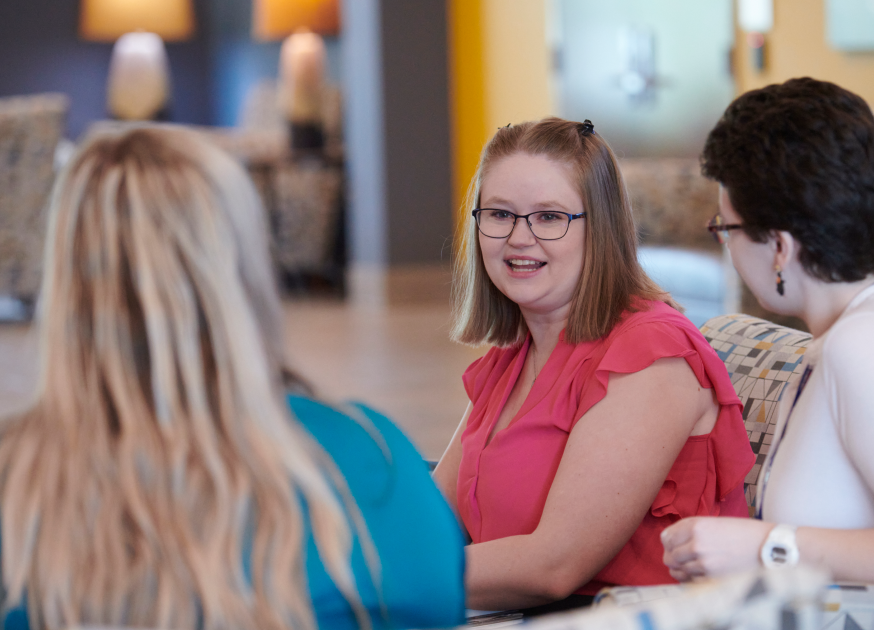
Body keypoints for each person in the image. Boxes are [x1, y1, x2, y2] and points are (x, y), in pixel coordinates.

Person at [0, 126, 465, 630]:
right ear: (243, 267)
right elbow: (438, 599)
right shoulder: (373, 464)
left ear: (63, 283)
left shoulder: (15, 488)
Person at [432, 117, 756, 613]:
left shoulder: (650, 354)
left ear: (599, 227)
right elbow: (433, 520)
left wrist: (374, 580)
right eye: (499, 214)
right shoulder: (513, 357)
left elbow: (554, 566)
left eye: (549, 217)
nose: (519, 237)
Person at [661, 78, 874, 596]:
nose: (727, 246)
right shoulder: (856, 332)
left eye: (725, 229)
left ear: (779, 247)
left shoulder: (866, 348)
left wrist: (766, 546)